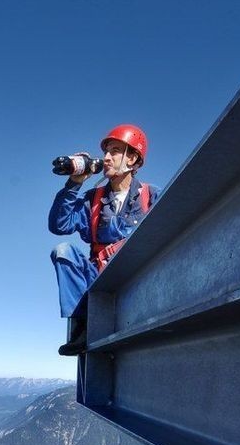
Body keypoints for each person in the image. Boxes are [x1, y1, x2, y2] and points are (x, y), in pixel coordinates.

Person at [49, 124, 159, 355]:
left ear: (133, 159)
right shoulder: (94, 200)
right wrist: (74, 183)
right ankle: (82, 327)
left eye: (115, 151)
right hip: (98, 280)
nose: (106, 158)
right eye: (106, 151)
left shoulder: (151, 196)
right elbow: (59, 225)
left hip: (135, 278)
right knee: (63, 250)